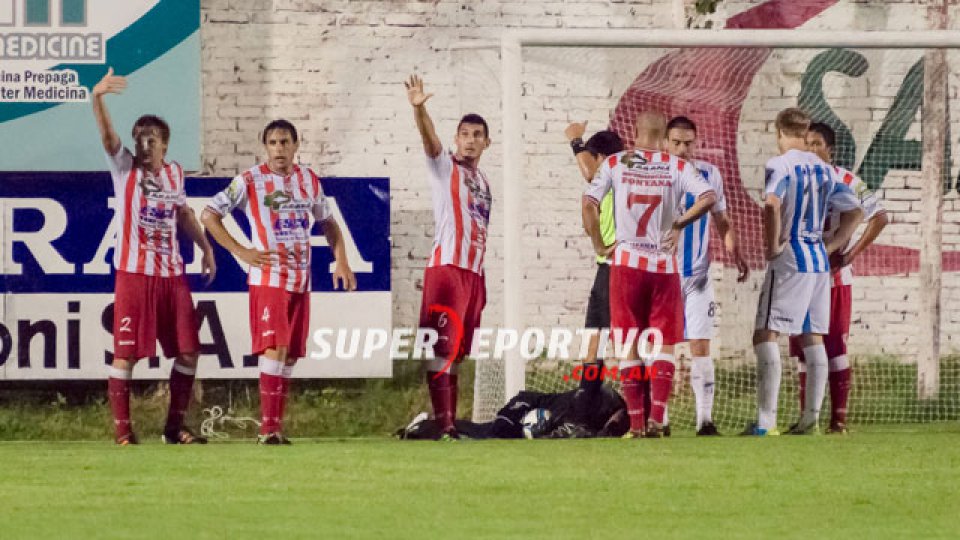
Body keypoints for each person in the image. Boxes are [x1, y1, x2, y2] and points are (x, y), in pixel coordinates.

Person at [201, 119, 356, 445]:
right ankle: (267, 429)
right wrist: (240, 250)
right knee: (277, 347)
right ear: (265, 146)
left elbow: (329, 223)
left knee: (290, 355)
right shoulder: (250, 181)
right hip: (269, 278)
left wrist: (341, 259)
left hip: (302, 280)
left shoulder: (308, 180)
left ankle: (275, 428)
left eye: (285, 142)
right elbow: (208, 214)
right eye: (272, 142)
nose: (279, 149)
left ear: (296, 145)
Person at [91, 67, 216, 445]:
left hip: (173, 276)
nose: (145, 146)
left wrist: (206, 248)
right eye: (140, 139)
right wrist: (96, 99)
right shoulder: (124, 168)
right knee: (126, 356)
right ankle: (124, 432)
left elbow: (184, 213)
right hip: (133, 274)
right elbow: (108, 138)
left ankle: (174, 428)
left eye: (152, 140)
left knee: (189, 352)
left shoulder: (175, 174)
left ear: (165, 145)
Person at [582, 111, 716, 438]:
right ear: (663, 135)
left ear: (635, 131)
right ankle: (658, 419)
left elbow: (589, 205)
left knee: (628, 343)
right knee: (664, 344)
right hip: (663, 266)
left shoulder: (616, 163)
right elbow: (708, 197)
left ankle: (637, 425)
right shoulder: (678, 166)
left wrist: (600, 243)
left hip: (627, 264)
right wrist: (680, 223)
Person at [746, 108, 863, 437]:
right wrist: (833, 244)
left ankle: (764, 422)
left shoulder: (780, 164)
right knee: (813, 338)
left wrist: (771, 246)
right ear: (805, 131)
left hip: (792, 256)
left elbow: (771, 204)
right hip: (818, 261)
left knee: (765, 333)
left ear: (779, 133)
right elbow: (854, 211)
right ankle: (810, 419)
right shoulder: (825, 169)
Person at [405, 74, 492, 440]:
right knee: (441, 348)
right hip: (447, 268)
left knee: (458, 352)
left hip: (474, 272)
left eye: (477, 135)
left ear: (487, 142)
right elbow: (429, 140)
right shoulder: (446, 167)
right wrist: (420, 109)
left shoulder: (483, 181)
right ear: (456, 139)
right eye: (465, 134)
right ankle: (445, 425)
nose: (470, 141)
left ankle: (449, 423)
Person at [787, 122, 888, 434]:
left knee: (834, 349)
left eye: (817, 144)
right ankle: (808, 418)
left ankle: (838, 421)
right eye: (807, 143)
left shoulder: (847, 180)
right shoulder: (795, 179)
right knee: (803, 349)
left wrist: (850, 254)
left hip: (833, 279)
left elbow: (880, 216)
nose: (811, 150)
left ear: (830, 150)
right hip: (801, 275)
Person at [664, 115, 750, 436]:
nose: (682, 148)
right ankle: (661, 420)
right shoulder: (657, 174)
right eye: (676, 142)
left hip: (698, 276)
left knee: (701, 344)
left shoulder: (710, 174)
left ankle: (705, 421)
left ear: (696, 143)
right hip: (663, 276)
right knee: (663, 347)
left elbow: (722, 220)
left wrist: (735, 252)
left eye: (688, 143)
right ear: (665, 143)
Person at [563, 122, 624, 429]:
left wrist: (575, 140)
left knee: (596, 342)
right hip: (630, 268)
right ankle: (644, 415)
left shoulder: (611, 173)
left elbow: (589, 173)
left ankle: (584, 414)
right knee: (632, 342)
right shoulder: (635, 176)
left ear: (602, 157)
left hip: (613, 268)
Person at [397, 385, 629, 440]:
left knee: (486, 432)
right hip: (526, 404)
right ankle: (425, 426)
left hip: (535, 422)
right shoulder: (597, 398)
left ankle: (429, 424)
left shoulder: (611, 420)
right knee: (490, 433)